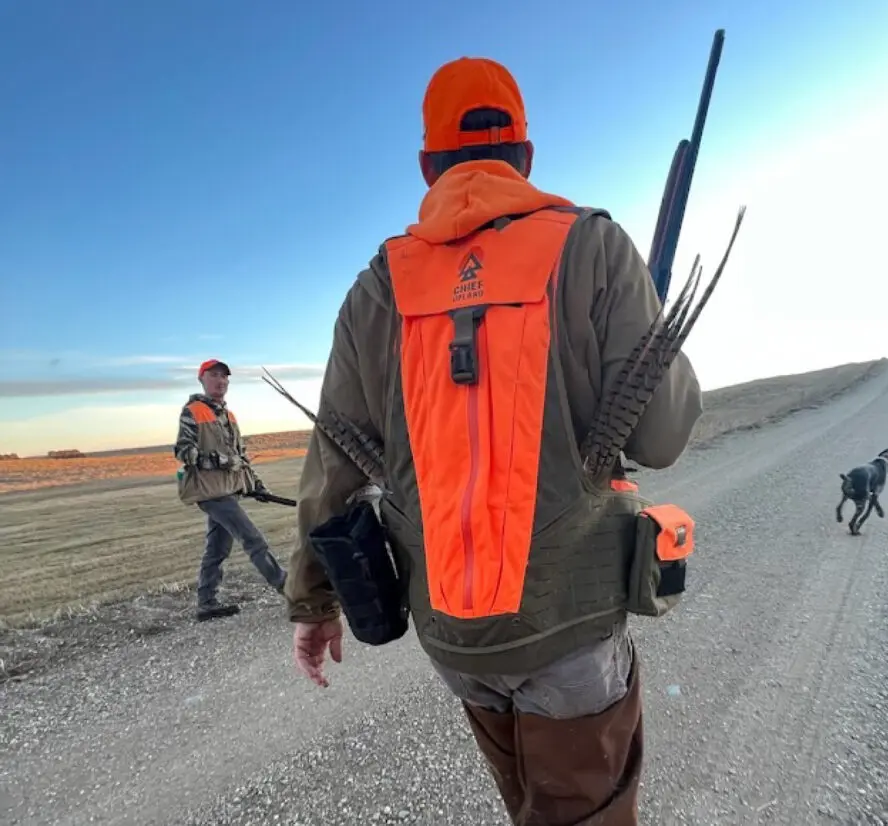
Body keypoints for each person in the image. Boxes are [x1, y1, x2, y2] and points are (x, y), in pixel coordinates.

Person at [284, 57, 703, 825]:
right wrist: (654, 347)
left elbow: (333, 463)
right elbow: (664, 436)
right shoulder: (594, 247)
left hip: (453, 637)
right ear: (527, 156)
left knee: (530, 804)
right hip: (571, 627)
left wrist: (313, 601)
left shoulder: (378, 284)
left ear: (425, 165)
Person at [174, 358, 288, 622]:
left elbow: (241, 456)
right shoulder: (192, 411)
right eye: (214, 375)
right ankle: (286, 586)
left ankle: (207, 603)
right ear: (202, 379)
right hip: (210, 491)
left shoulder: (228, 414)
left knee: (217, 549)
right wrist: (222, 462)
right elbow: (183, 451)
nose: (221, 381)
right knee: (253, 540)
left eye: (224, 377)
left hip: (229, 489)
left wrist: (255, 485)